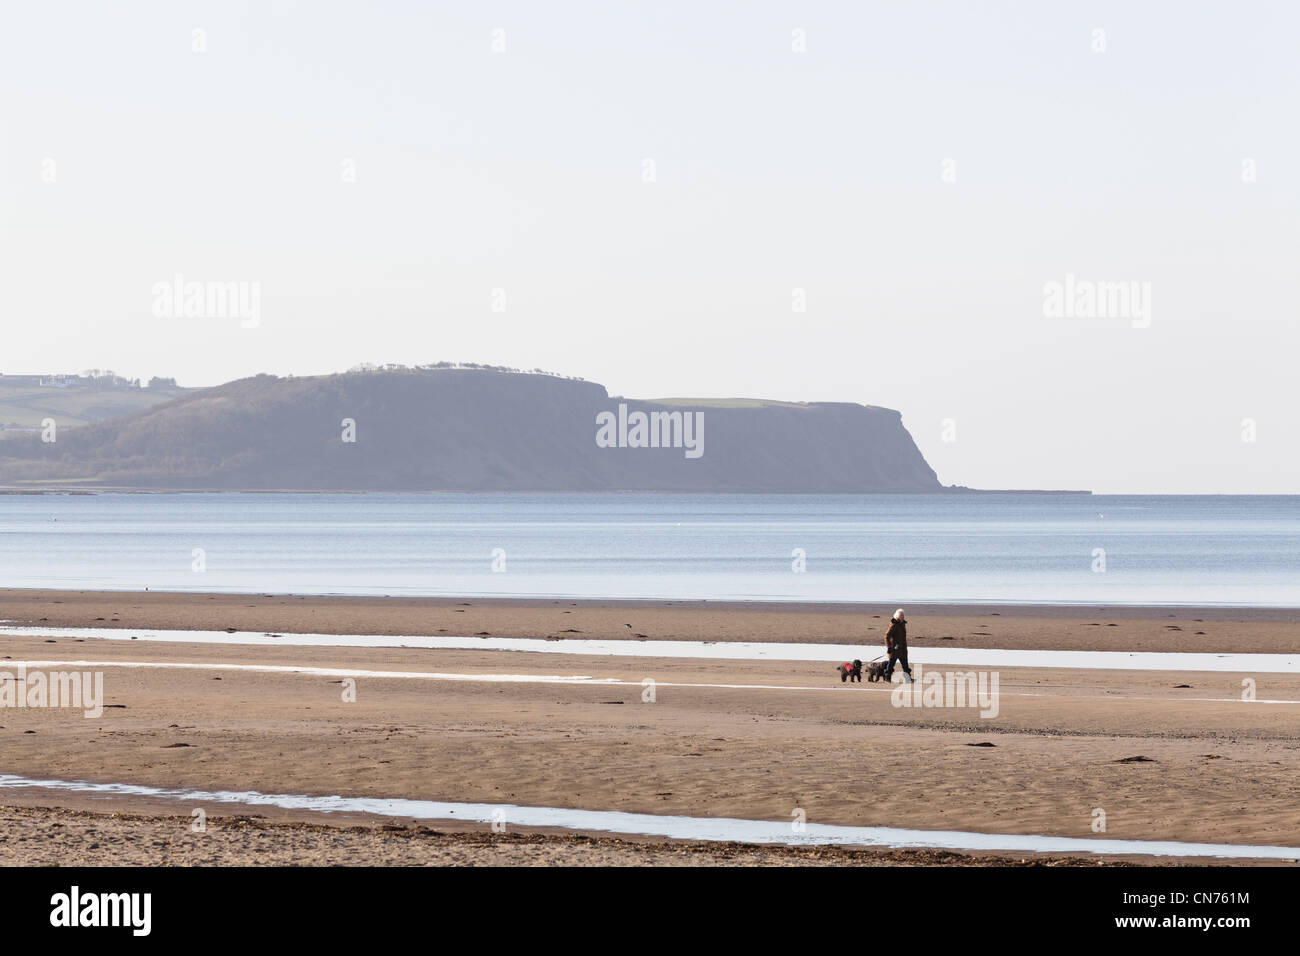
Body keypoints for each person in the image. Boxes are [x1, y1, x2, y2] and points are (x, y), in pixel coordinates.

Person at [882, 608, 914, 683]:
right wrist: (889, 647)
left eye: (903, 615)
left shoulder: (902, 623)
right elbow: (886, 636)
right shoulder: (894, 625)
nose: (902, 617)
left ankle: (908, 678)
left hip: (902, 649)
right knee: (891, 664)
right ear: (897, 616)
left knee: (905, 664)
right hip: (894, 649)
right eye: (900, 615)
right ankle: (887, 678)